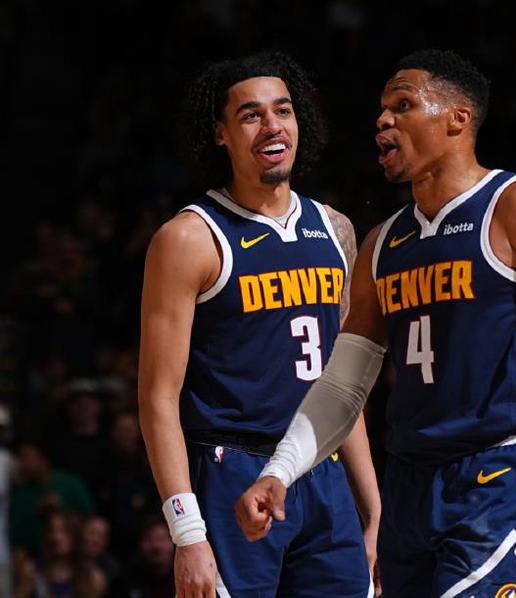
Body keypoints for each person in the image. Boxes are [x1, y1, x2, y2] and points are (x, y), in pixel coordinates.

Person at [236, 49, 516, 597]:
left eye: (403, 105)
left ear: (458, 118)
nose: (383, 120)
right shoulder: (382, 244)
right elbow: (342, 387)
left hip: (497, 474)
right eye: (382, 108)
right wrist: (279, 471)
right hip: (409, 485)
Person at [138, 50, 380, 598]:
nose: (272, 125)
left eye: (283, 110)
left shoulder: (335, 229)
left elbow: (344, 387)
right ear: (220, 133)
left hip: (323, 473)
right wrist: (187, 533)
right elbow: (157, 397)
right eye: (251, 115)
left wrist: (373, 510)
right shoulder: (189, 238)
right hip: (232, 472)